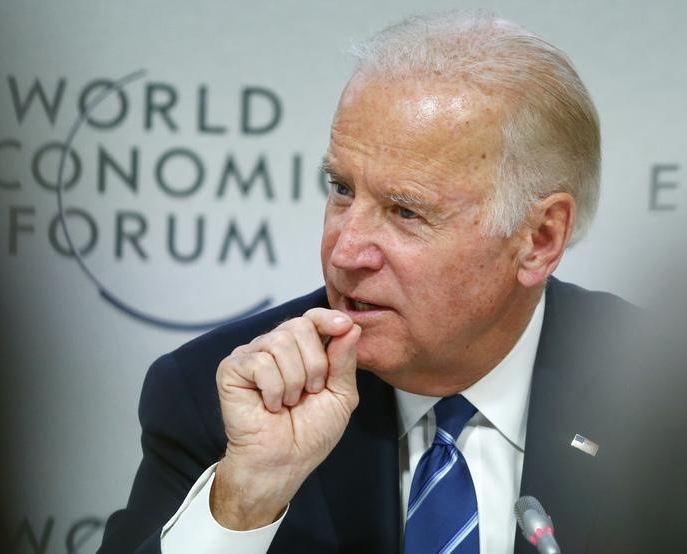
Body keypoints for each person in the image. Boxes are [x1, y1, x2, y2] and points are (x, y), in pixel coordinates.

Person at [99, 12, 668, 553]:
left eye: (405, 212)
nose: (344, 250)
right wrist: (246, 496)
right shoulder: (222, 398)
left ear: (540, 238)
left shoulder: (662, 397)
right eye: (342, 189)